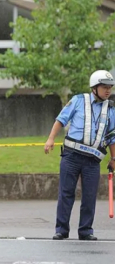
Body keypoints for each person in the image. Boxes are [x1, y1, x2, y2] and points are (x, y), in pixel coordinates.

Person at [44, 70, 115, 241]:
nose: (108, 91)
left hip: (92, 161)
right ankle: (61, 229)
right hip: (71, 156)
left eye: (110, 88)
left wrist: (114, 158)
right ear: (94, 87)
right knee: (66, 193)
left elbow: (112, 136)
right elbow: (61, 120)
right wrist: (50, 139)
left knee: (90, 196)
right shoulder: (78, 100)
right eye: (104, 87)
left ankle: (85, 231)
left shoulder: (111, 109)